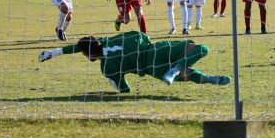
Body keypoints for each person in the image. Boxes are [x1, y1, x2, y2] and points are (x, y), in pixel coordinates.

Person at [38, 30, 231, 92]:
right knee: (201, 48)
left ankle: (206, 78)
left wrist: (54, 53)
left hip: (152, 69)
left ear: (90, 55)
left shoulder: (107, 68)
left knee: (186, 75)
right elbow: (140, 34)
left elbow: (124, 89)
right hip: (156, 50)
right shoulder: (110, 39)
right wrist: (54, 52)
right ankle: (178, 68)